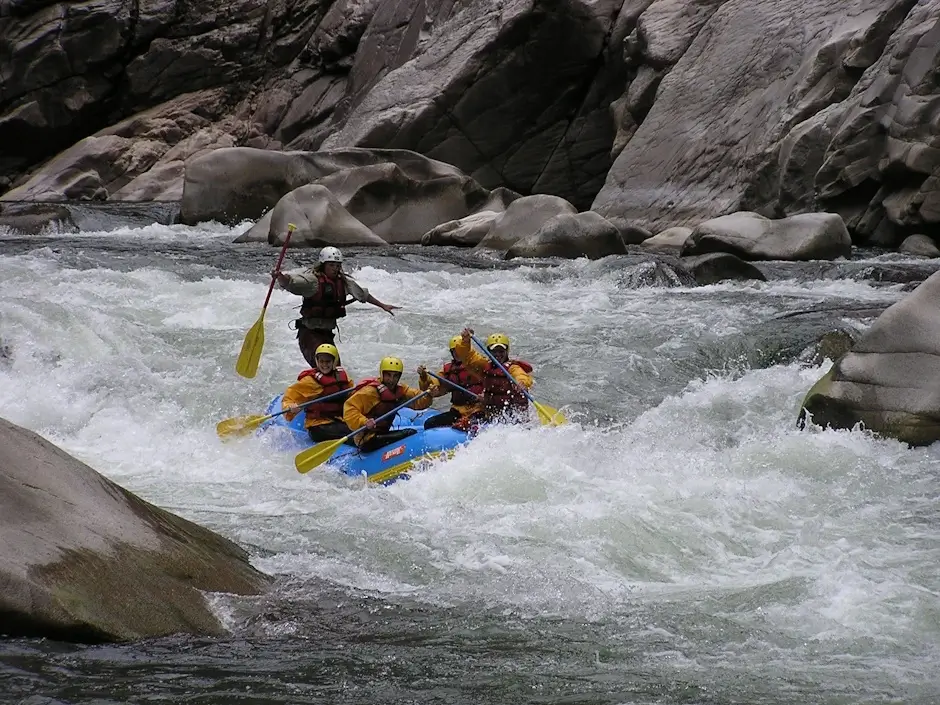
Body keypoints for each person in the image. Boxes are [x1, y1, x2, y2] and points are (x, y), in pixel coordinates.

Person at [275, 246, 400, 366]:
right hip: (309, 334)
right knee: (324, 368)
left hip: (327, 334)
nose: (335, 268)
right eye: (331, 265)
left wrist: (383, 305)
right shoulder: (312, 281)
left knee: (336, 368)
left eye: (337, 265)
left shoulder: (343, 282)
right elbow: (291, 283)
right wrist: (280, 277)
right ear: (323, 265)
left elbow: (363, 295)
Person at [343, 356, 433, 453]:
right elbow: (349, 408)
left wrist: (429, 392)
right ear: (382, 374)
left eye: (395, 376)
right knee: (410, 433)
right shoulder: (370, 392)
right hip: (366, 439)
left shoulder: (400, 390)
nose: (391, 380)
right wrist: (364, 421)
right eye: (388, 375)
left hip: (382, 434)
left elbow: (421, 401)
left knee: (410, 432)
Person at [452, 327, 533, 430]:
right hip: (492, 413)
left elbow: (521, 375)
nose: (497, 355)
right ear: (488, 351)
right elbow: (468, 357)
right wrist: (466, 341)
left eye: (501, 351)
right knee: (465, 425)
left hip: (513, 414)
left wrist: (521, 383)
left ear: (506, 351)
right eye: (494, 351)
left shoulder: (513, 367)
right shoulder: (485, 365)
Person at [281, 343, 355, 442]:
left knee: (360, 427)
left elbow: (353, 396)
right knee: (356, 433)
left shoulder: (342, 378)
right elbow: (289, 397)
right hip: (318, 426)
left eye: (328, 361)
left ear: (334, 361)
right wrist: (290, 407)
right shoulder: (310, 381)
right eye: (321, 361)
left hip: (338, 420)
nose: (324, 365)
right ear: (317, 362)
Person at [417, 335, 484, 429]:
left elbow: (493, 377)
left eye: (459, 350)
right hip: (458, 410)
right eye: (454, 351)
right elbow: (434, 385)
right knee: (430, 423)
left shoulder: (478, 365)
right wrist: (424, 377)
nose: (457, 353)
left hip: (478, 409)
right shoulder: (448, 370)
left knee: (471, 423)